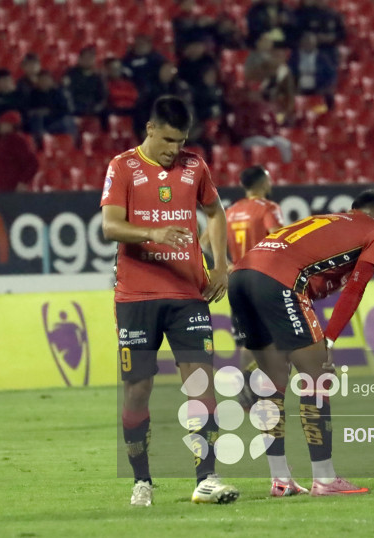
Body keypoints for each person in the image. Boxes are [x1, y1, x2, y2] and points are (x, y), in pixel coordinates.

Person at [100, 96, 239, 507]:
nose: (173, 150)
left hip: (186, 295)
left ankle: (206, 477)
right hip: (136, 296)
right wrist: (154, 234)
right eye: (166, 140)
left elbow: (215, 212)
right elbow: (110, 226)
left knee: (201, 384)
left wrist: (219, 265)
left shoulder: (195, 166)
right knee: (138, 391)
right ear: (149, 129)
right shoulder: (122, 166)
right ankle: (142, 481)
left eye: (180, 141)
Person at [228, 189, 374, 497]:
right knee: (317, 378)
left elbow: (313, 282)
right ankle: (324, 478)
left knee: (273, 385)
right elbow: (355, 288)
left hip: (241, 276)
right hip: (277, 280)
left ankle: (280, 480)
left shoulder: (327, 223)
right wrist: (329, 340)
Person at [224, 166, 284, 409]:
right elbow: (279, 239)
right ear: (263, 182)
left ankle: (247, 392)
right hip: (262, 280)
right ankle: (264, 390)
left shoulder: (231, 211)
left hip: (237, 280)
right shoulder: (268, 208)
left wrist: (226, 264)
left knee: (246, 340)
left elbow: (206, 240)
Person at [26, 70, 77, 146]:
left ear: (51, 81)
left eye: (46, 79)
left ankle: (70, 146)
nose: (44, 82)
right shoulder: (32, 94)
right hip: (40, 122)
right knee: (36, 120)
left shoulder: (58, 93)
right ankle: (40, 144)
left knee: (68, 121)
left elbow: (65, 110)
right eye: (42, 79)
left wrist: (50, 111)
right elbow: (27, 110)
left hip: (56, 121)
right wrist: (38, 111)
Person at [0, 111, 38, 192]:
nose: (0, 126)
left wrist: (23, 182)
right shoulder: (3, 140)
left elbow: (32, 163)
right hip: (4, 189)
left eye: (3, 123)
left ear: (11, 125)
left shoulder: (17, 140)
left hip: (14, 190)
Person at [289, 31, 336, 106]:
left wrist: (325, 87)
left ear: (315, 44)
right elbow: (289, 72)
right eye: (306, 42)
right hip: (298, 87)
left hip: (318, 88)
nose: (308, 44)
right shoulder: (294, 57)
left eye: (310, 42)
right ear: (301, 43)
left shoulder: (323, 58)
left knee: (329, 97)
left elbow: (331, 74)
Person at [64, 46, 107, 125]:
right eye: (85, 58)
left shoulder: (98, 76)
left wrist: (98, 106)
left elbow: (102, 95)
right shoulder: (71, 74)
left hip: (92, 106)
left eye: (90, 58)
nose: (87, 60)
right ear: (79, 58)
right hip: (75, 105)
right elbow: (67, 92)